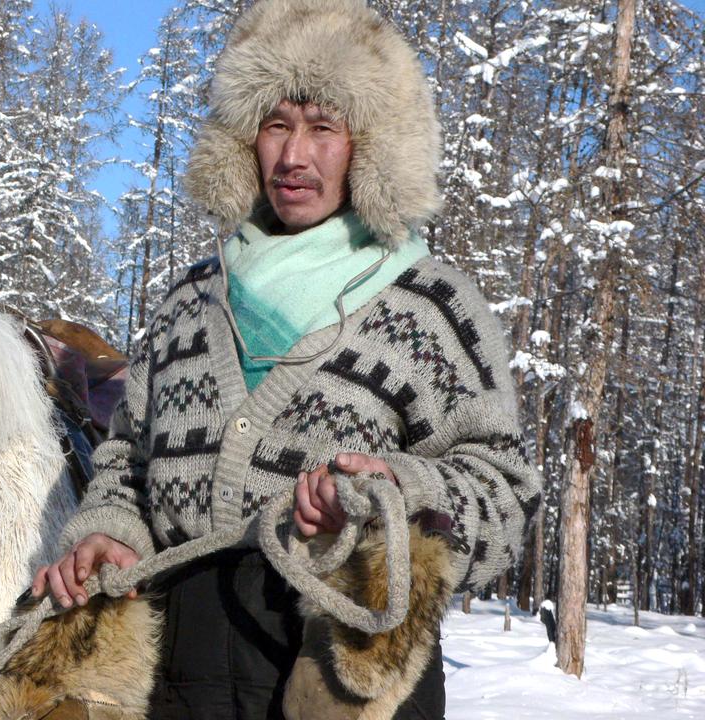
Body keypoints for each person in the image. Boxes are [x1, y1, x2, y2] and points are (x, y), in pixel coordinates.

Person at [31, 0, 543, 717]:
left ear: (370, 145)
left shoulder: (430, 306)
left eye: (323, 128)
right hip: (181, 685)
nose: (294, 156)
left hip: (345, 682)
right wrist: (110, 533)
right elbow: (127, 465)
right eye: (276, 125)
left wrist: (394, 498)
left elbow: (504, 496)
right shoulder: (190, 303)